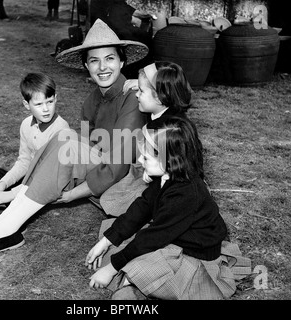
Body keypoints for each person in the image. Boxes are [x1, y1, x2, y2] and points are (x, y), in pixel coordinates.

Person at [0, 19, 148, 260]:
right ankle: (4, 225)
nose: (102, 67)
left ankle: (8, 226)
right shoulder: (90, 101)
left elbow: (118, 164)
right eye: (94, 60)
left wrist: (72, 194)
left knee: (64, 139)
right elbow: (84, 149)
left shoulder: (133, 96)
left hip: (123, 177)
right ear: (86, 66)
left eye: (110, 58)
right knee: (64, 139)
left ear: (122, 61)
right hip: (97, 167)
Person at [85, 116, 252, 300]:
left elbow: (153, 237)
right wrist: (108, 240)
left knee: (137, 263)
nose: (140, 160)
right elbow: (141, 208)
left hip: (192, 255)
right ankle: (135, 281)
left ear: (169, 160)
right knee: (116, 236)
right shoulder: (168, 176)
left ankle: (136, 285)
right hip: (172, 238)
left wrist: (111, 268)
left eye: (146, 157)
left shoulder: (186, 194)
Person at [100, 61, 193, 217]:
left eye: (141, 91)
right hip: (152, 173)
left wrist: (149, 177)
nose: (137, 94)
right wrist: (141, 83)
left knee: (112, 201)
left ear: (158, 97)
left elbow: (172, 171)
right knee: (110, 197)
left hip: (168, 184)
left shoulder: (166, 128)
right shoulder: (164, 108)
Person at [0, 73, 69, 211]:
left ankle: (6, 204)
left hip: (48, 183)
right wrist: (3, 184)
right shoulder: (26, 124)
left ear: (56, 98)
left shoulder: (61, 129)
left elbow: (48, 176)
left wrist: (12, 193)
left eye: (49, 101)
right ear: (26, 104)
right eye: (38, 104)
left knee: (29, 195)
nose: (45, 109)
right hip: (30, 178)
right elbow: (24, 160)